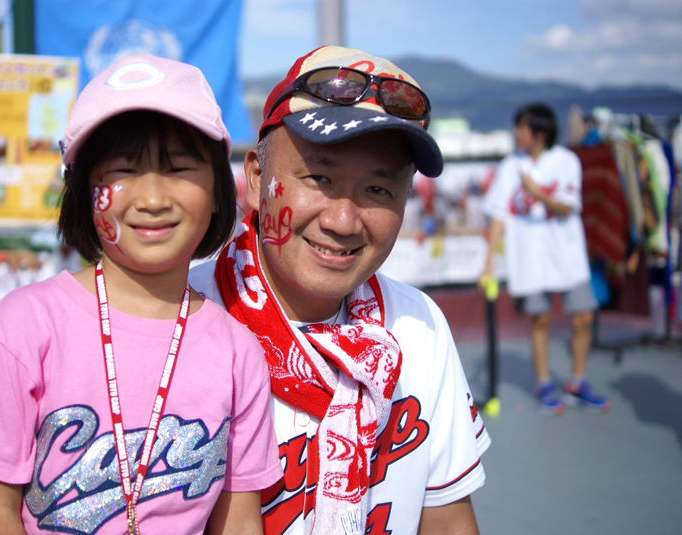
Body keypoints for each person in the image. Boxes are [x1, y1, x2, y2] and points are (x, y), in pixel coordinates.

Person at [0, 54, 282, 535]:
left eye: (179, 168)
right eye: (123, 169)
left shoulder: (236, 350)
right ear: (83, 189)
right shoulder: (25, 325)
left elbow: (240, 522)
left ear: (219, 191)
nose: (153, 199)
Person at [191, 46, 490, 534]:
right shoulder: (179, 321)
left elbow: (449, 520)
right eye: (320, 178)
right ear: (257, 179)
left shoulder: (418, 326)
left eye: (378, 190)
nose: (343, 221)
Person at [480, 103, 610, 415]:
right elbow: (498, 216)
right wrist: (488, 263)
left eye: (521, 128)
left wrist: (535, 191)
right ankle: (544, 384)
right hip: (529, 259)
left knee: (584, 317)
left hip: (567, 255)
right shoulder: (510, 166)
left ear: (539, 133)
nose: (516, 133)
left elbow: (567, 207)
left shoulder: (566, 161)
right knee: (540, 319)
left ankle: (577, 383)